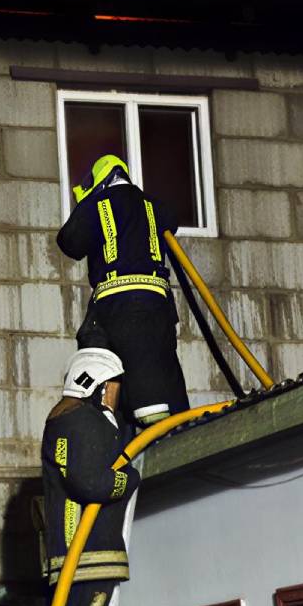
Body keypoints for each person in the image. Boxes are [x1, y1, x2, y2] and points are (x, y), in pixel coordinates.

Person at [39, 347, 140, 606]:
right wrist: (130, 478)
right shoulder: (84, 421)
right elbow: (91, 482)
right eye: (113, 385)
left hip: (78, 553)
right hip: (86, 551)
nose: (116, 394)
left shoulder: (65, 420)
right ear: (98, 385)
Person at [56, 155, 189, 428]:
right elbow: (172, 221)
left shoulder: (98, 204)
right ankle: (180, 429)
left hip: (118, 303)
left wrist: (87, 206)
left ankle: (114, 427)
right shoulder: (154, 206)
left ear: (98, 181)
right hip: (159, 305)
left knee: (123, 385)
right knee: (164, 374)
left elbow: (69, 242)